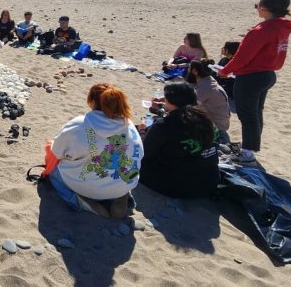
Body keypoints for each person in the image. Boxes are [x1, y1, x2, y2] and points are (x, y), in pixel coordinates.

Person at [219, 0, 291, 163]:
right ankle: (249, 146)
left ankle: (247, 153)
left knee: (247, 114)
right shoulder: (281, 27)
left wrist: (225, 70)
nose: (257, 9)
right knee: (255, 112)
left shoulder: (262, 30)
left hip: (251, 77)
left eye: (257, 6)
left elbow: (242, 57)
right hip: (267, 75)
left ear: (265, 8)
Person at [49, 83, 143, 218]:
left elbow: (57, 152)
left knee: (55, 175)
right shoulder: (130, 125)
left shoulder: (79, 124)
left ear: (92, 102)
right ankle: (121, 197)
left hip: (88, 185)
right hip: (124, 183)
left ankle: (82, 200)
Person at [139, 82, 219, 198]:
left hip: (178, 186)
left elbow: (145, 153)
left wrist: (142, 131)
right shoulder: (207, 121)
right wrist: (162, 110)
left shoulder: (164, 125)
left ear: (170, 102)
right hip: (209, 181)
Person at [187, 59, 231, 143]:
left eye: (189, 67)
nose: (188, 70)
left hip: (216, 129)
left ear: (195, 71)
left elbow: (186, 103)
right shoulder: (208, 80)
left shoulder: (206, 87)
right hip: (220, 123)